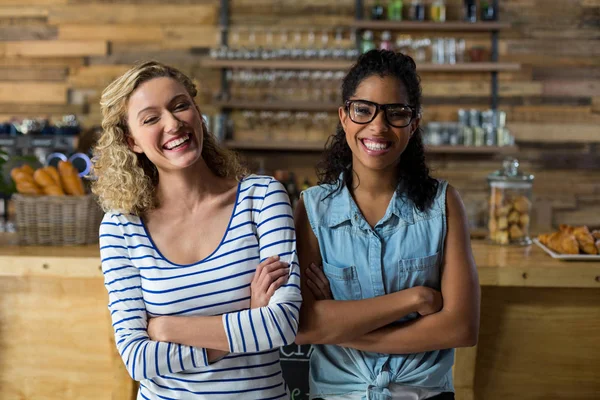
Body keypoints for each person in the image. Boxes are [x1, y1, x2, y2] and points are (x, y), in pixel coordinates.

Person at [92, 61, 302, 399]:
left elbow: (281, 325)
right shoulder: (122, 227)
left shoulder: (262, 197)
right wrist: (248, 318)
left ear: (197, 111)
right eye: (151, 118)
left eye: (179, 106)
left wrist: (167, 328)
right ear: (132, 141)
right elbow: (136, 359)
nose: (173, 123)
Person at [294, 50, 480, 400]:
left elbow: (462, 327)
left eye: (395, 113)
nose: (378, 126)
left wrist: (337, 326)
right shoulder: (312, 209)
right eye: (363, 110)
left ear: (413, 124)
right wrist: (416, 298)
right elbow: (301, 323)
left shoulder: (444, 204)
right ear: (344, 117)